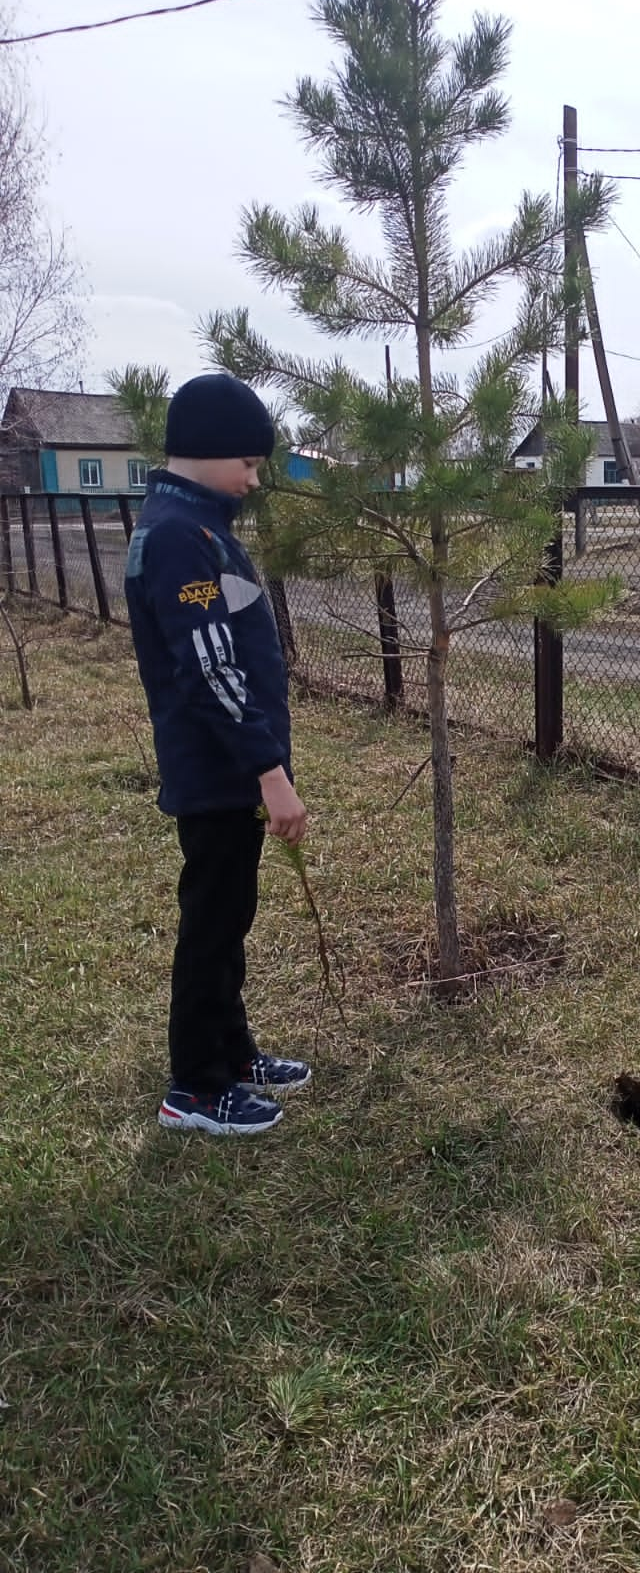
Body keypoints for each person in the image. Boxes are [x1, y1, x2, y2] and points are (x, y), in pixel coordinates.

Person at [125, 373, 311, 1135]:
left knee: (229, 916)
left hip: (231, 769)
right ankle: (196, 1088)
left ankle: (232, 1055)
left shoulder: (199, 524)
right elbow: (211, 672)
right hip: (220, 773)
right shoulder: (178, 537)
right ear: (209, 451)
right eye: (250, 461)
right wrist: (270, 773)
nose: (255, 476)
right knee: (211, 925)